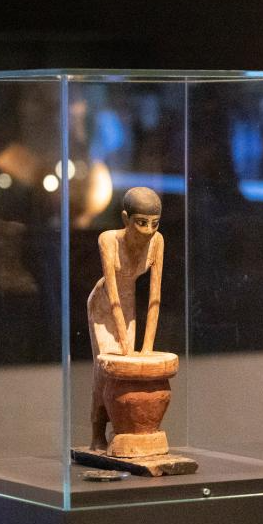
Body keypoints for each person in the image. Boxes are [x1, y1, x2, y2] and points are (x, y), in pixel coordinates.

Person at [87, 186, 165, 450]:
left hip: (128, 303)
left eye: (154, 223)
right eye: (141, 222)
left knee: (130, 371)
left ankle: (126, 430)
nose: (148, 230)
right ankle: (98, 432)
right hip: (104, 305)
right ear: (125, 218)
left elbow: (155, 298)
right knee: (106, 369)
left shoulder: (157, 241)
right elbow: (113, 296)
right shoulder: (108, 240)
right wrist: (127, 348)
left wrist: (146, 349)